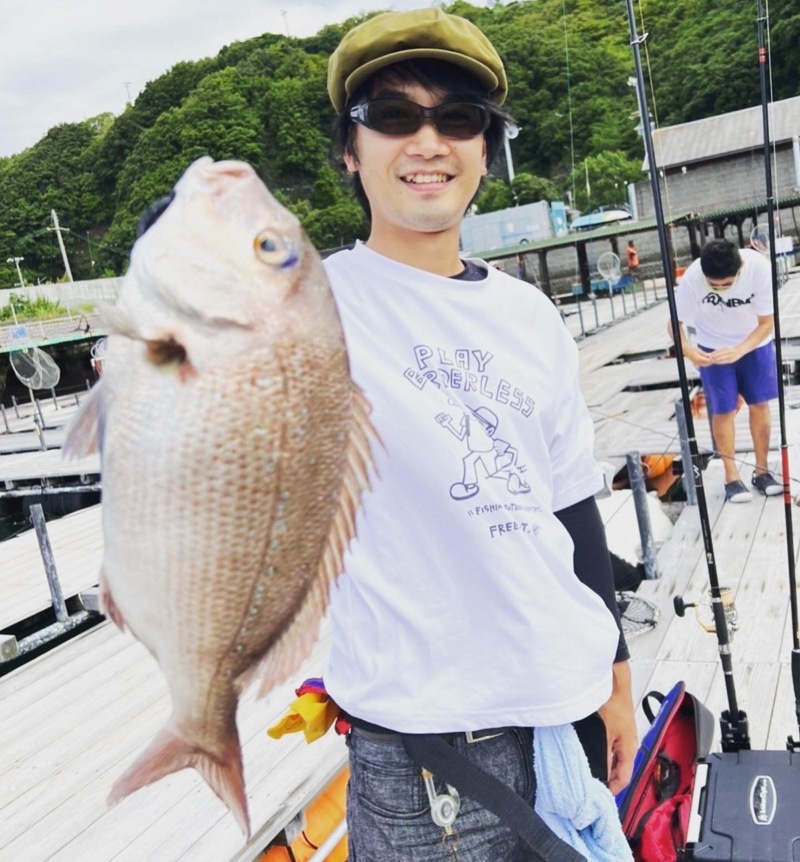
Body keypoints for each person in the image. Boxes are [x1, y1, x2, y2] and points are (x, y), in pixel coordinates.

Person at [322, 9, 637, 860]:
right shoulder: (308, 309)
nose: (427, 141)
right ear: (351, 150)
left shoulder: (528, 313)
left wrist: (614, 675)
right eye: (393, 116)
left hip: (565, 718)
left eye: (457, 119)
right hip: (427, 764)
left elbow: (571, 505)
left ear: (486, 151)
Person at [671, 238, 780, 503]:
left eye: (727, 284)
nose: (720, 290)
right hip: (712, 346)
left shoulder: (758, 268)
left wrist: (739, 350)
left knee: (759, 403)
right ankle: (732, 478)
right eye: (714, 285)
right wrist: (689, 351)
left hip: (754, 342)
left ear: (740, 267)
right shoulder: (692, 277)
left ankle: (762, 472)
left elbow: (767, 323)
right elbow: (675, 324)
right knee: (723, 409)